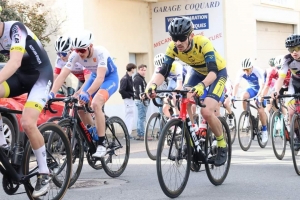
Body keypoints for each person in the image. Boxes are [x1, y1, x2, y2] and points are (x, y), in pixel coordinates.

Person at [145, 16, 228, 166]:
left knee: (206, 111)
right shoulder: (173, 47)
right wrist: (152, 85)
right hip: (197, 72)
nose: (178, 43)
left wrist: (202, 85)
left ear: (191, 35)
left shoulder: (203, 43)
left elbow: (213, 72)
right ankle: (192, 138)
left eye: (181, 38)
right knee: (183, 99)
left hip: (216, 74)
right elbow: (163, 71)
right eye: (174, 38)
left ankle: (222, 145)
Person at [0, 21, 53, 197]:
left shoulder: (16, 28)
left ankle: (45, 173)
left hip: (40, 76)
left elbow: (14, 62)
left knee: (28, 123)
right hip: (20, 77)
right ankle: (3, 143)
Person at [49, 30, 119, 157]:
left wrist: (87, 93)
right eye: (77, 50)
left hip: (109, 79)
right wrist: (52, 93)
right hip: (93, 77)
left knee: (96, 103)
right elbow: (61, 75)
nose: (79, 54)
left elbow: (100, 78)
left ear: (90, 46)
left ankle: (102, 144)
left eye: (82, 50)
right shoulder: (74, 55)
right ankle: (93, 130)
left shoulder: (100, 52)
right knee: (79, 105)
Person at [232, 58, 268, 143]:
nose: (246, 72)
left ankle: (264, 130)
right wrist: (233, 96)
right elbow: (236, 84)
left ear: (252, 67)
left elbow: (262, 85)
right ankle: (247, 116)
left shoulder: (258, 71)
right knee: (243, 96)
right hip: (252, 89)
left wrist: (259, 96)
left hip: (262, 90)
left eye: (247, 70)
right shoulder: (241, 72)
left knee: (260, 109)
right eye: (244, 70)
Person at [274, 34, 300, 150]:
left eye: (298, 48)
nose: (294, 52)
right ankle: (297, 137)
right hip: (295, 85)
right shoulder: (287, 59)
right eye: (291, 49)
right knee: (290, 113)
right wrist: (275, 91)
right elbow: (281, 78)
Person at [149, 53, 187, 118]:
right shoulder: (158, 68)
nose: (161, 69)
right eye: (160, 68)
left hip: (183, 79)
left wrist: (173, 93)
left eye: (162, 67)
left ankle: (178, 116)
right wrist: (147, 91)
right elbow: (152, 81)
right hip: (172, 79)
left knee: (174, 95)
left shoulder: (176, 65)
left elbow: (179, 85)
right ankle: (172, 122)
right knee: (165, 105)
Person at [119, 63, 136, 139]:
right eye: (134, 68)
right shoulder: (125, 78)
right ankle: (127, 134)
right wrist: (129, 95)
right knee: (129, 116)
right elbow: (121, 90)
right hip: (128, 100)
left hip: (130, 99)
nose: (134, 70)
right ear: (132, 69)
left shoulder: (129, 78)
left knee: (130, 117)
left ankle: (128, 133)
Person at [133, 64, 148, 140]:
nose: (143, 72)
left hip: (140, 100)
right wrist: (142, 96)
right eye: (142, 70)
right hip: (141, 100)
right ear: (138, 70)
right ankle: (141, 134)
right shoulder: (138, 79)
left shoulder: (140, 78)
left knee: (140, 117)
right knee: (141, 118)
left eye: (145, 70)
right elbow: (139, 90)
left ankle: (140, 134)